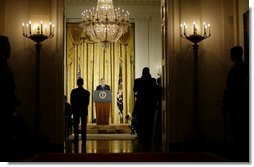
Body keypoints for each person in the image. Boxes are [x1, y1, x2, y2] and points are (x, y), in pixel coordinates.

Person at [222, 46, 249, 161]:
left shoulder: (241, 68)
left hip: (238, 103)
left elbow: (234, 87)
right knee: (238, 129)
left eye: (231, 54)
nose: (230, 56)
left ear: (236, 55)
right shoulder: (242, 68)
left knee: (240, 130)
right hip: (238, 102)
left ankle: (241, 154)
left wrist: (227, 101)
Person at [0, 35, 20, 160]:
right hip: (3, 109)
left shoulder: (3, 63)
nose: (10, 49)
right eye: (8, 46)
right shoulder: (1, 65)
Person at [133, 67, 158, 151]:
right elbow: (156, 91)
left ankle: (141, 137)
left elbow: (135, 91)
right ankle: (148, 138)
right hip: (150, 104)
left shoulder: (137, 81)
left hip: (141, 104)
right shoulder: (153, 80)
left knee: (141, 121)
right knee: (149, 122)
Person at [71, 78, 90, 153]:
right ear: (83, 83)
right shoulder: (87, 92)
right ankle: (84, 139)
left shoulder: (73, 92)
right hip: (83, 111)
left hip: (76, 111)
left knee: (76, 126)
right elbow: (87, 103)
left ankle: (76, 139)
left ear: (77, 83)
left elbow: (72, 102)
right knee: (83, 126)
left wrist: (73, 110)